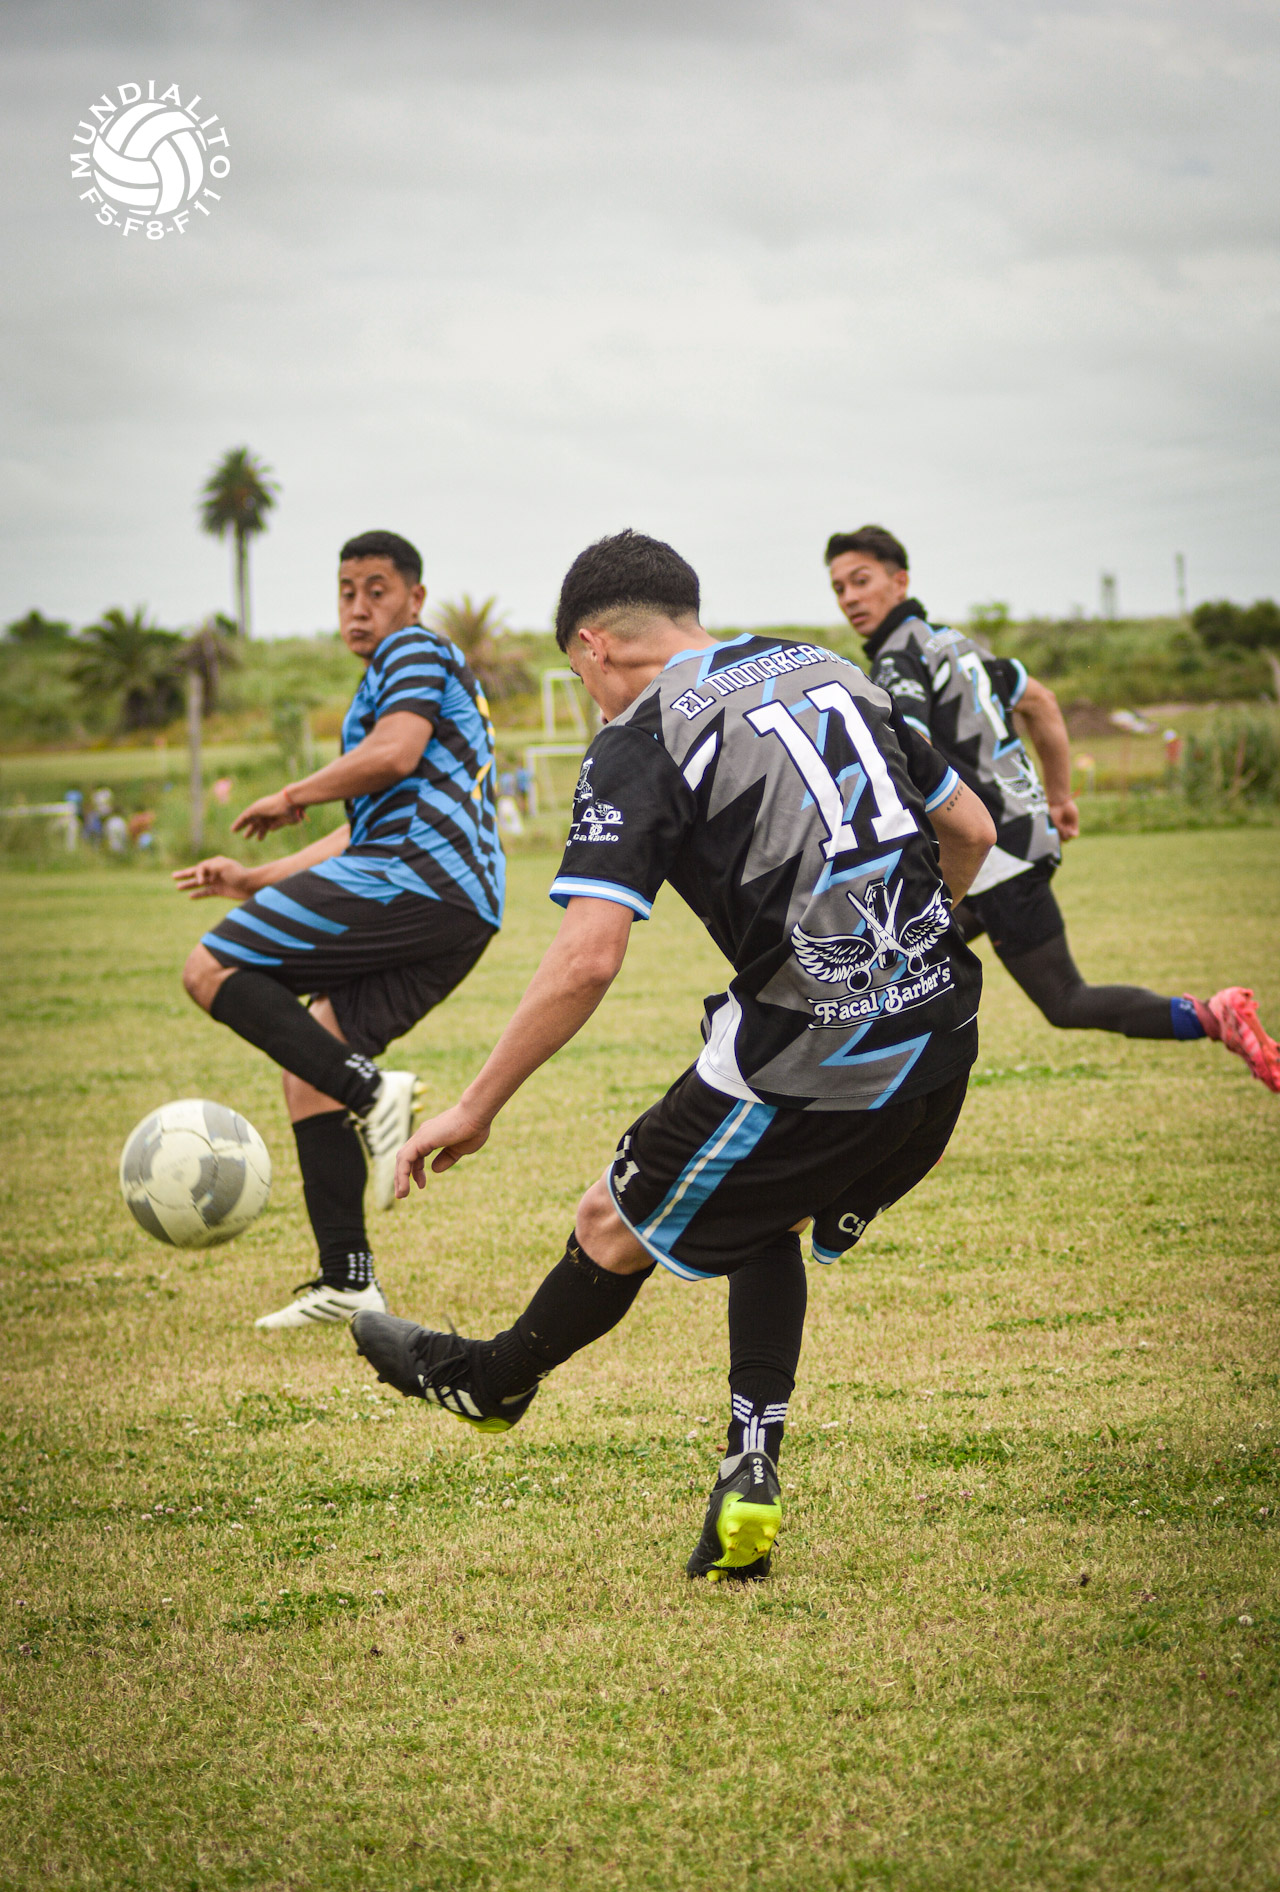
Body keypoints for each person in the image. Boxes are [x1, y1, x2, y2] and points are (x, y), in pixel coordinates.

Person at [349, 529, 996, 1581]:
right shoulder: (823, 666)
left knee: (609, 1221)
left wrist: (476, 1106)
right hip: (942, 1041)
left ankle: (491, 1382)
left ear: (594, 647)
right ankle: (748, 1469)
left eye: (580, 680)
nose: (590, 698)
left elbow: (586, 959)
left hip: (813, 1056)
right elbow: (969, 828)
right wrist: (906, 954)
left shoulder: (644, 734)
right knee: (764, 1213)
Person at [174, 531, 504, 1328]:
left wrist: (293, 794)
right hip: (454, 902)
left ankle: (372, 1092)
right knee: (310, 1064)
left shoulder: (413, 651)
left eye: (376, 590)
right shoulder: (390, 678)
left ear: (414, 598)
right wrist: (254, 878)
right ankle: (348, 1279)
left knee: (209, 968)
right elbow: (364, 823)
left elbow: (395, 756)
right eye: (347, 591)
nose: (359, 607)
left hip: (415, 878)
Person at [825, 525, 1280, 1093]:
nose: (849, 598)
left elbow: (907, 749)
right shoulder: (959, 644)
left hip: (991, 856)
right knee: (884, 972)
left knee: (1059, 998)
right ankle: (883, 1104)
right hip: (1018, 839)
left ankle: (1215, 1015)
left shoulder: (899, 657)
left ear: (900, 581)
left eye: (861, 581)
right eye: (839, 588)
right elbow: (1040, 701)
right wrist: (1059, 799)